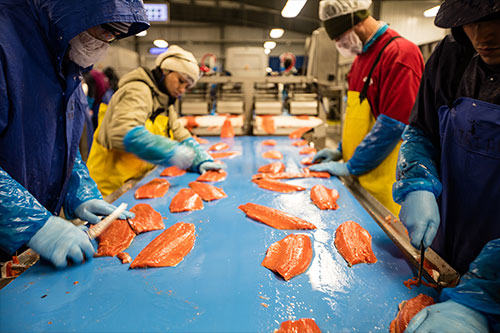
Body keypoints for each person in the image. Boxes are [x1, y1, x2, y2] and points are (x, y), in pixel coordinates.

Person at [0, 0, 149, 269]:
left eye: (114, 36)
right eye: (104, 29)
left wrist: (79, 191)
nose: (106, 42)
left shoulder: (67, 63)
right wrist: (31, 222)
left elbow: (57, 144)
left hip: (20, 247)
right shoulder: (6, 45)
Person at [392, 0, 500, 331]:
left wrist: (481, 296)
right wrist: (418, 183)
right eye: (469, 22)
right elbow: (422, 130)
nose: (481, 35)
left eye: (494, 19)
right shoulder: (455, 51)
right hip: (447, 248)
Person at [310, 0, 424, 215]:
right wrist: (340, 150)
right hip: (362, 176)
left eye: (339, 37)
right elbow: (359, 117)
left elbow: (394, 123)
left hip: (385, 182)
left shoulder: (400, 54)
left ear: (355, 21)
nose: (339, 44)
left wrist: (352, 166)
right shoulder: (361, 58)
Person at [87, 45, 225, 196]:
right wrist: (170, 151)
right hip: (109, 189)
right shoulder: (137, 90)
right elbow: (122, 132)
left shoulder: (164, 102)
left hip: (136, 184)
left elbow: (180, 134)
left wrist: (200, 159)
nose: (182, 90)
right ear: (166, 70)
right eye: (180, 81)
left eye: (187, 86)